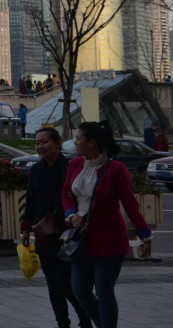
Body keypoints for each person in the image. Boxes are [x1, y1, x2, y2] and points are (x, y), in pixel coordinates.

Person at [61, 121, 152, 328]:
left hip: (109, 239)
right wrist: (70, 214)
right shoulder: (75, 164)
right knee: (79, 290)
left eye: (79, 139)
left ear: (91, 142)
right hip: (81, 238)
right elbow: (65, 193)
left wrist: (145, 236)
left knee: (104, 292)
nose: (76, 143)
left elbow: (130, 204)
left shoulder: (116, 170)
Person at [21, 127, 92, 328]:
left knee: (67, 284)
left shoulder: (71, 167)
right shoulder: (36, 169)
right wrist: (26, 228)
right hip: (45, 234)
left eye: (45, 142)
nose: (40, 147)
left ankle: (85, 319)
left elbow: (80, 198)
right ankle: (62, 322)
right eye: (37, 143)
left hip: (68, 233)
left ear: (58, 143)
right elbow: (31, 200)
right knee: (53, 285)